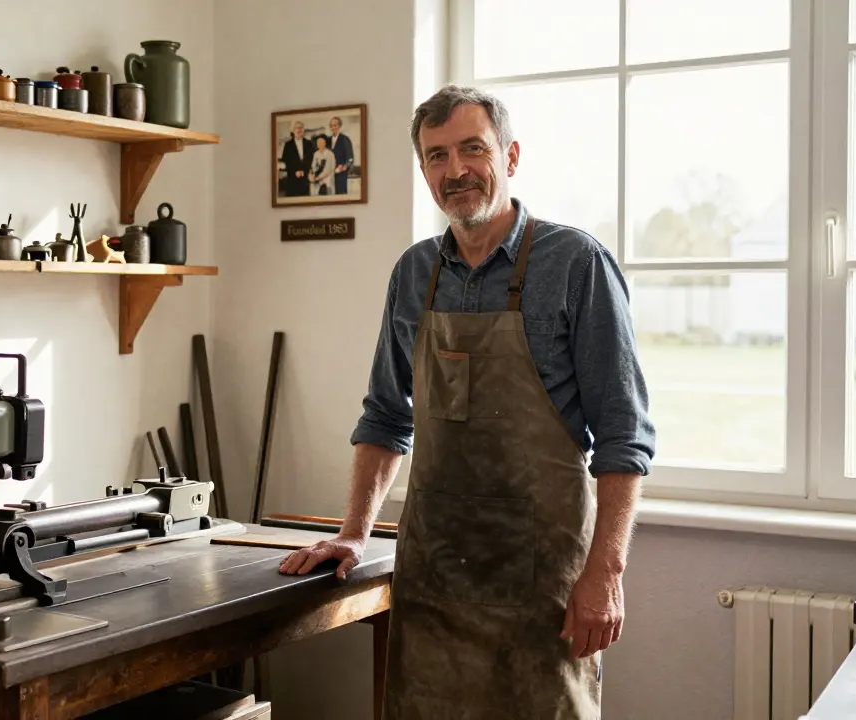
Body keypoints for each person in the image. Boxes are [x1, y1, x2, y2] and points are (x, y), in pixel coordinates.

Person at [278, 85, 656, 719]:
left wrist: (606, 573)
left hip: (543, 585)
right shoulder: (413, 273)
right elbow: (385, 416)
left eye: (471, 149)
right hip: (435, 580)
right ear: (423, 171)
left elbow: (625, 436)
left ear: (509, 156)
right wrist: (351, 533)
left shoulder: (575, 262)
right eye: (436, 157)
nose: (455, 171)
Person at [279, 120, 313, 197]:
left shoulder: (309, 143)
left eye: (301, 128)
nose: (299, 130)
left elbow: (311, 159)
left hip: (305, 178)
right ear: (293, 130)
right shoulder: (288, 145)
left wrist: (304, 171)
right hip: (292, 179)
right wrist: (295, 171)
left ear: (303, 130)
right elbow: (286, 161)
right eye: (297, 128)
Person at [326, 116, 355, 194]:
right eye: (331, 126)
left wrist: (343, 167)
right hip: (329, 175)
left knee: (340, 195)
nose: (333, 127)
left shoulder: (345, 139)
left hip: (341, 175)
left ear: (339, 126)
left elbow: (350, 158)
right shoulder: (327, 140)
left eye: (335, 125)